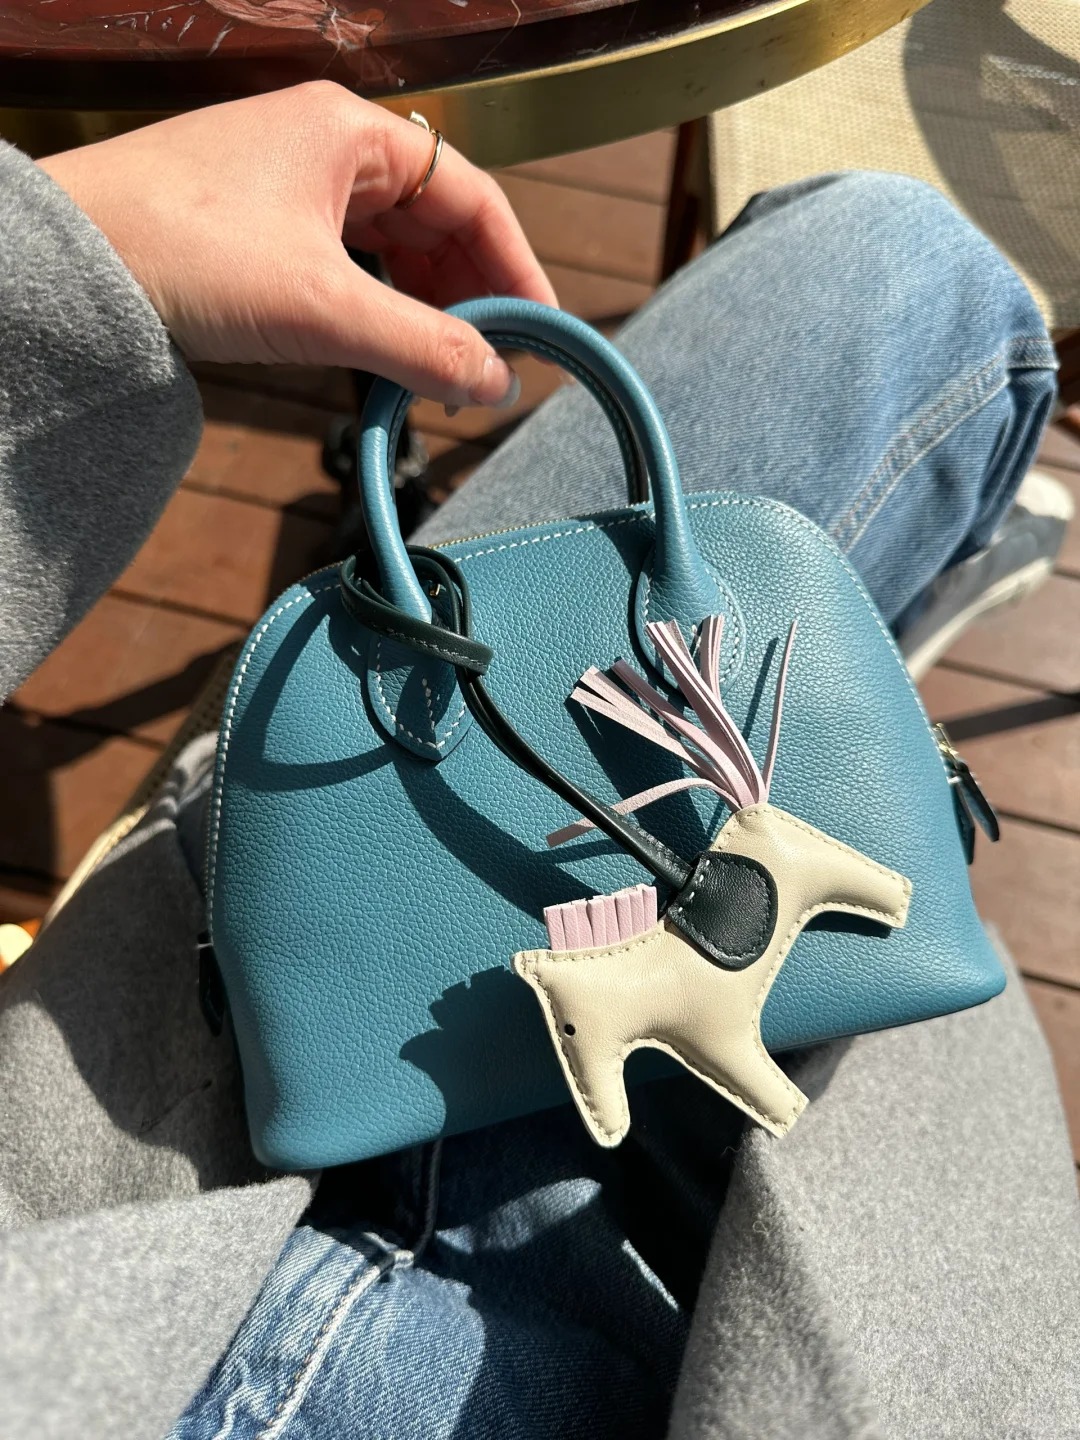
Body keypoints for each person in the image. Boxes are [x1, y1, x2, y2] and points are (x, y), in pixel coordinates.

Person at [0, 82, 1077, 1440]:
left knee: (897, 256)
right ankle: (877, 666)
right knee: (918, 278)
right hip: (624, 1262)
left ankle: (869, 656)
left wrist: (79, 254)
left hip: (113, 1224)